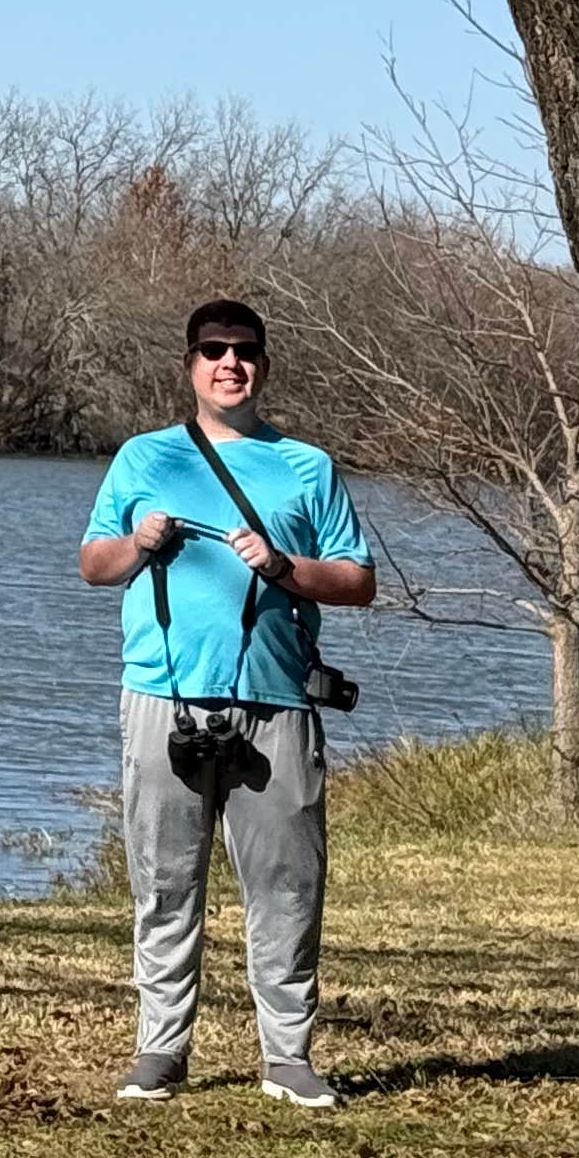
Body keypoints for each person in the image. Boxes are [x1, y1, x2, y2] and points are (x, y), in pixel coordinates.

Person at [77, 297, 377, 1108]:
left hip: (277, 704)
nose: (229, 364)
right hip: (163, 703)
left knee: (287, 887)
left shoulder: (307, 467)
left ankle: (287, 1059)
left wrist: (285, 568)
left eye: (244, 351)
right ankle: (160, 1053)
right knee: (164, 885)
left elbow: (358, 580)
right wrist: (140, 545)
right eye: (213, 351)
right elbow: (94, 567)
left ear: (263, 367)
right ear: (191, 365)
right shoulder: (144, 459)